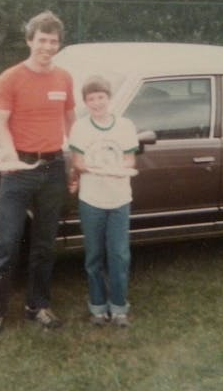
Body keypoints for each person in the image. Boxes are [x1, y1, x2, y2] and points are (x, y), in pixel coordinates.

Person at [0, 11, 75, 337]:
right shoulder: (10, 78)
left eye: (53, 41)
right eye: (42, 40)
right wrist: (8, 154)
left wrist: (74, 160)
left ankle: (38, 306)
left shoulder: (64, 78)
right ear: (29, 41)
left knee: (45, 243)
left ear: (59, 44)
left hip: (53, 169)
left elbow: (71, 121)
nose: (47, 46)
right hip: (18, 170)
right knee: (7, 243)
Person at [68, 75, 139, 327]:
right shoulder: (80, 127)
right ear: (85, 102)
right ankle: (98, 307)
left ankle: (119, 308)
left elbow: (130, 161)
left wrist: (115, 169)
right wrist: (94, 168)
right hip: (91, 199)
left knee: (119, 254)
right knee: (94, 255)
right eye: (91, 99)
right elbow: (77, 162)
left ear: (109, 98)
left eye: (101, 97)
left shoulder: (125, 125)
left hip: (119, 199)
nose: (97, 103)